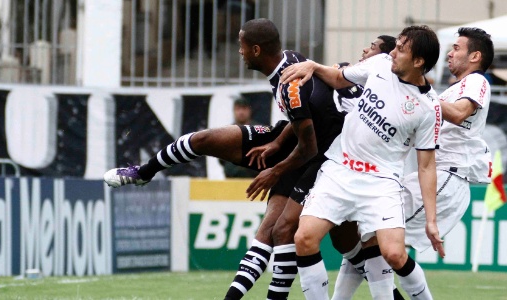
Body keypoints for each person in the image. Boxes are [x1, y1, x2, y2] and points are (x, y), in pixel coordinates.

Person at [104, 18, 352, 300]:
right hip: (293, 141)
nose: (239, 51)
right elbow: (301, 121)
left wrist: (274, 171)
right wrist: (275, 142)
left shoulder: (291, 87)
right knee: (204, 140)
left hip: (322, 158)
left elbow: (310, 146)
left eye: (241, 45)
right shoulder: (290, 62)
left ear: (256, 50)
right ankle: (144, 173)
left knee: (278, 232)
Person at [281, 25, 443, 299]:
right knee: (304, 238)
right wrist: (313, 66)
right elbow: (338, 77)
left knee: (394, 253)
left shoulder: (429, 107)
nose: (392, 52)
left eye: (401, 49)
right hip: (340, 168)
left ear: (418, 62)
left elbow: (426, 165)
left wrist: (431, 220)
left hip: (381, 183)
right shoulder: (379, 64)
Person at [220, 98, 262, 178]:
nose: (241, 112)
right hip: (232, 178)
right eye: (238, 109)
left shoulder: (258, 130)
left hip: (254, 177)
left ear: (249, 110)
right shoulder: (226, 132)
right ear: (234, 111)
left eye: (244, 108)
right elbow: (222, 158)